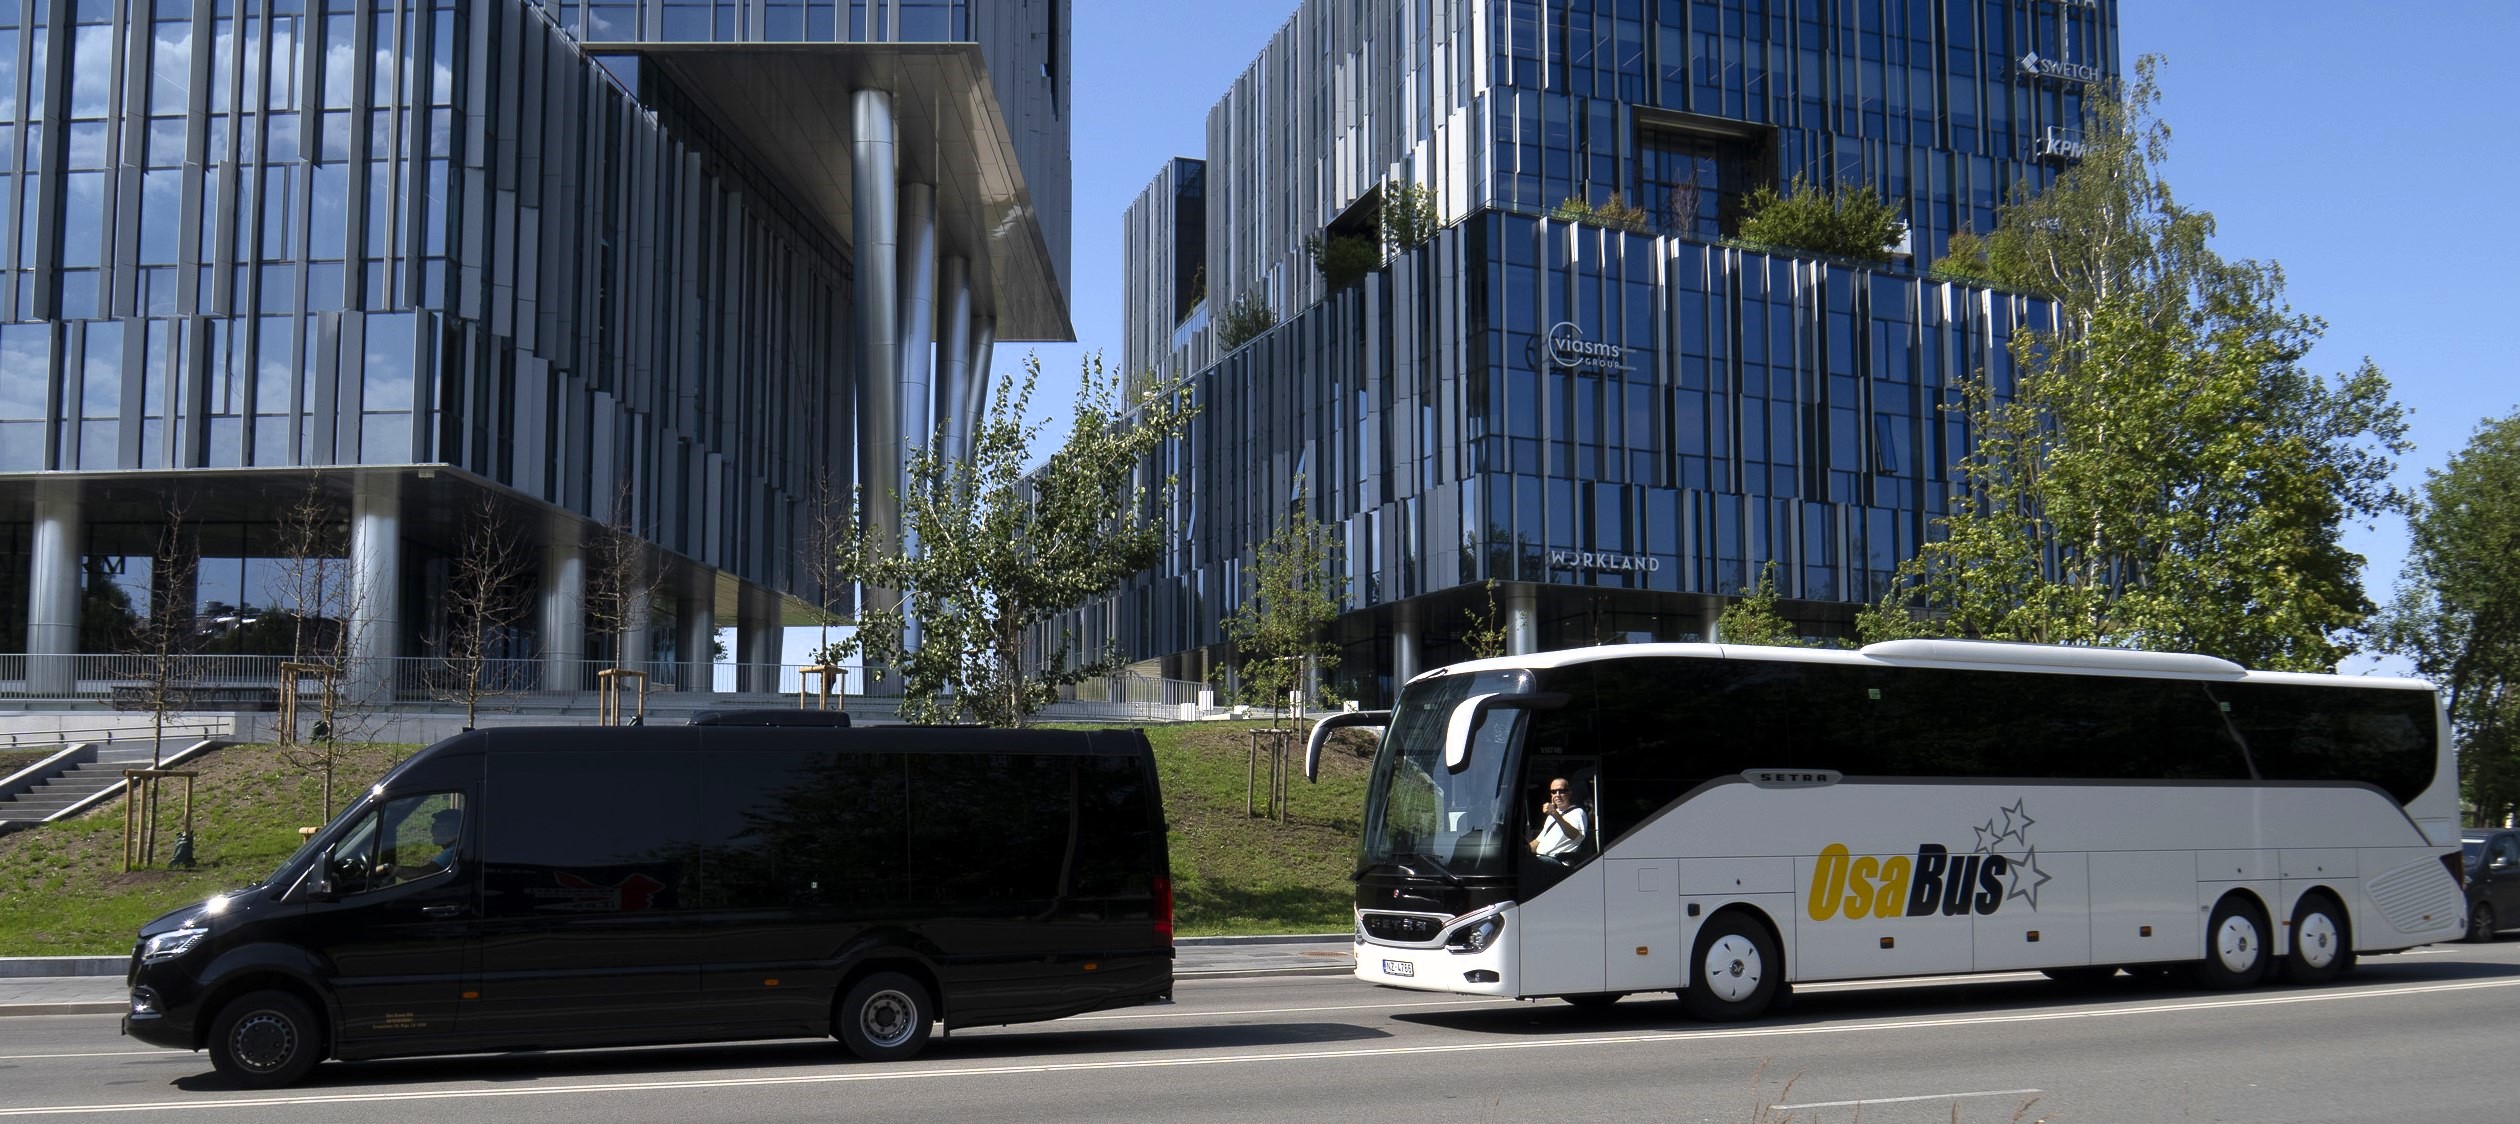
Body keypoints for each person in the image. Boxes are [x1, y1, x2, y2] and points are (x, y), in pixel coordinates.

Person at [1529, 778, 1587, 863]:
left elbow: (1575, 836)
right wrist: (1524, 849)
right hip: (1542, 859)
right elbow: (1538, 841)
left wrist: (1554, 813)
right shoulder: (1551, 816)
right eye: (1554, 792)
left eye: (1562, 791)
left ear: (1569, 793)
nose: (1557, 795)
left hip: (1558, 861)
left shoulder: (1577, 812)